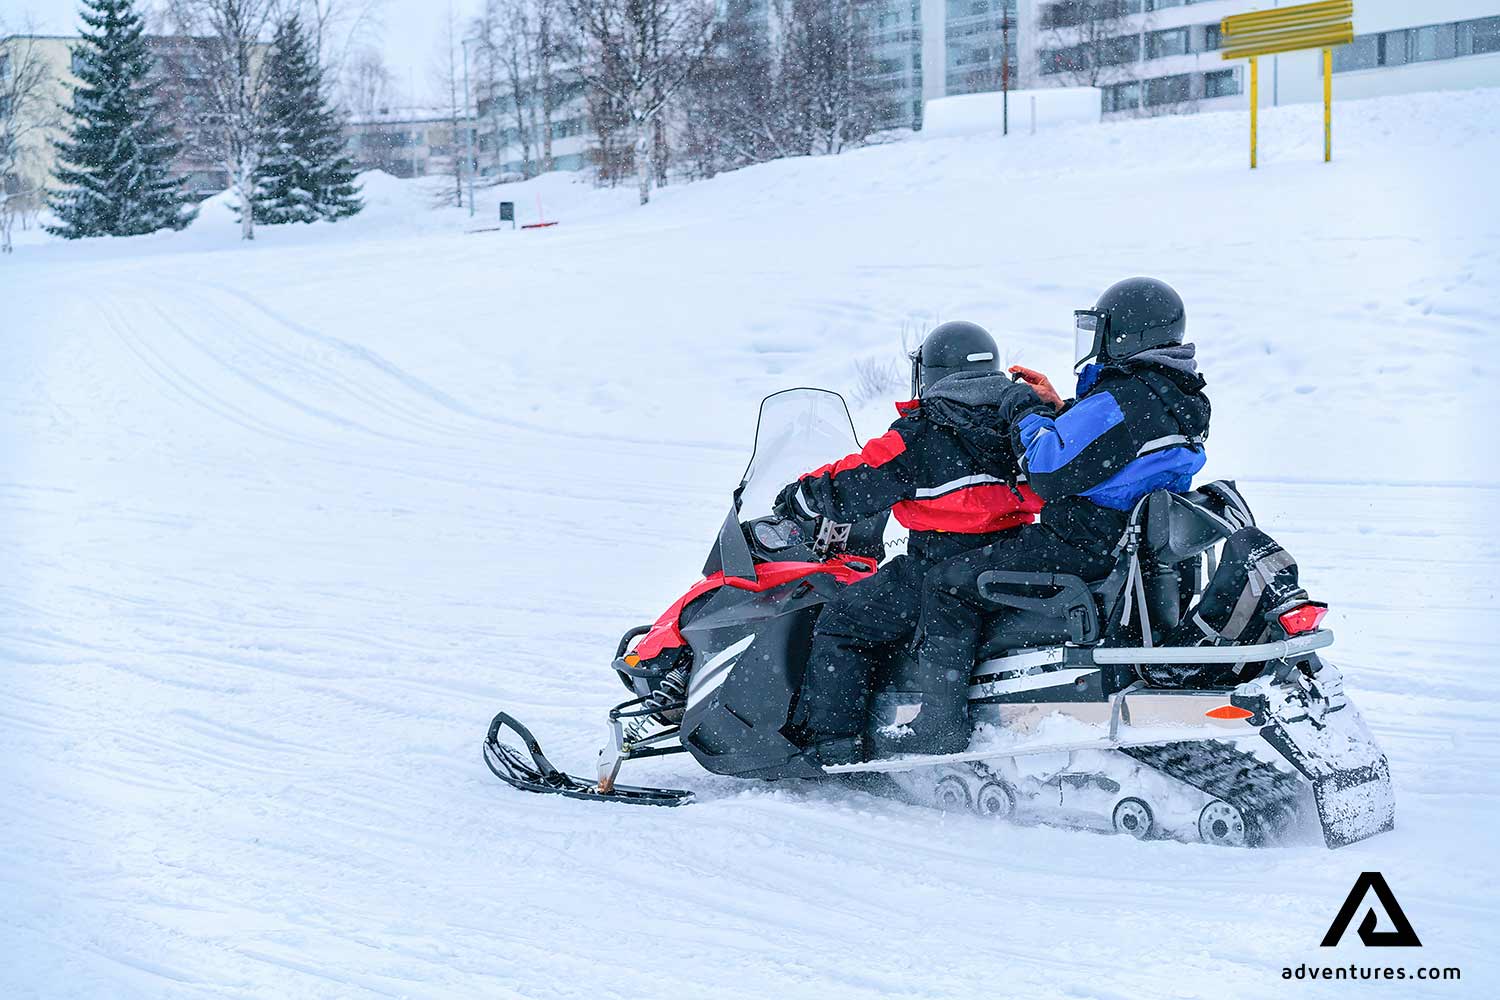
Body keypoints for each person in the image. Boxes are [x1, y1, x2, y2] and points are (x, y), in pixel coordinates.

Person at [913, 277, 1213, 752]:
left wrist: (1022, 411)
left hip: (1082, 544)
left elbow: (1046, 470)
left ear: (1124, 335)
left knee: (947, 582)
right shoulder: (1178, 396)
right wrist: (1064, 409)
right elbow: (1115, 450)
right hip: (1122, 546)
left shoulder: (1123, 399)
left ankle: (937, 729)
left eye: (1100, 330)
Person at [771, 321, 1043, 766]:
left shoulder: (922, 433)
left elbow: (858, 479)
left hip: (937, 564)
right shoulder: (1020, 422)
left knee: (843, 620)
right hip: (1008, 559)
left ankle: (834, 744)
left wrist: (803, 494)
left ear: (932, 372)